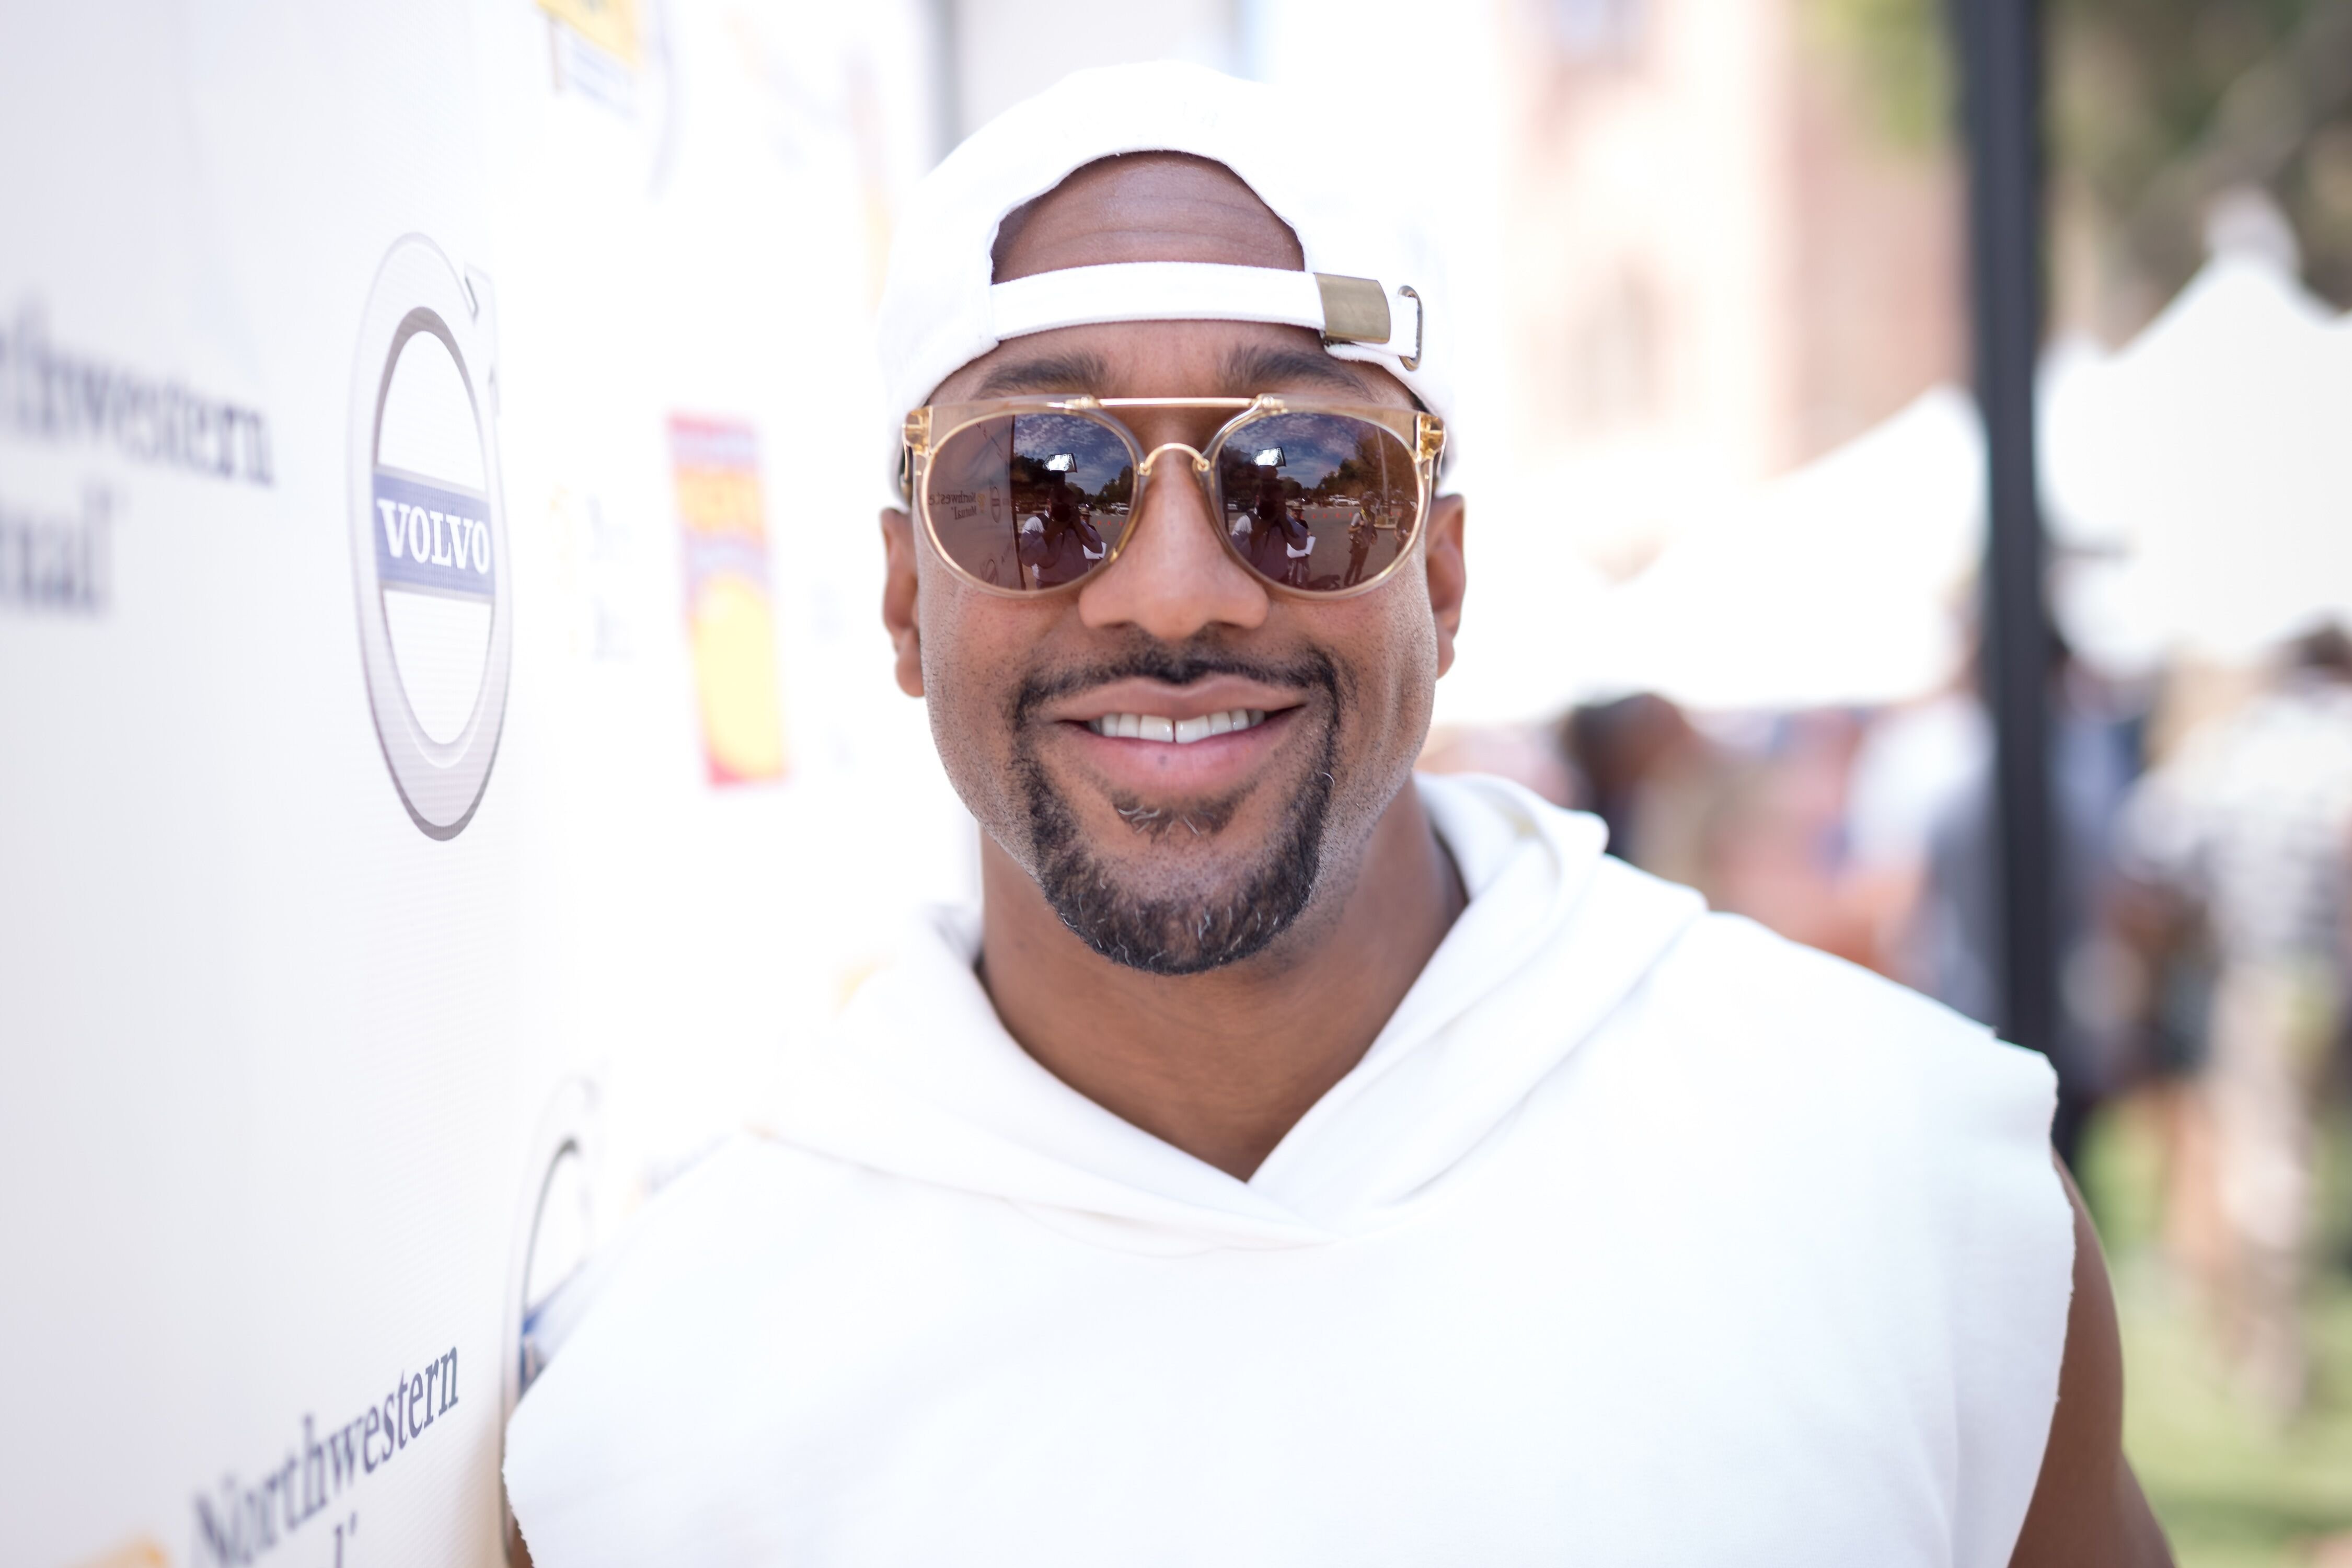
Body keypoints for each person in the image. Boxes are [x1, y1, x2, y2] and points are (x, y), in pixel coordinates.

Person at [502, 62, 2169, 1567]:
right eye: (1036, 486)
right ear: (897, 598)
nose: (1173, 590)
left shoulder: (1910, 1192)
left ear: (1440, 575)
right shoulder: (651, 1425)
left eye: (1301, 480)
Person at [2120, 624, 2352, 1420]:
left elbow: (2155, 854)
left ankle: (2275, 1369)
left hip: (2275, 978)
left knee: (2272, 1169)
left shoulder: (2238, 751)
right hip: (2313, 977)